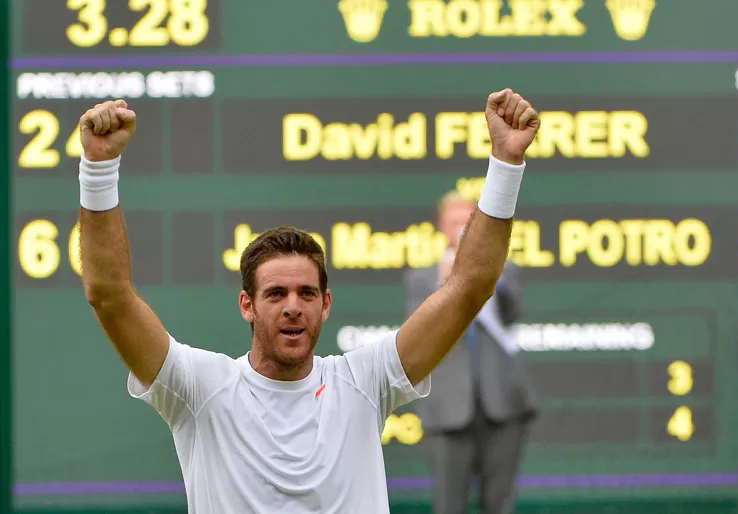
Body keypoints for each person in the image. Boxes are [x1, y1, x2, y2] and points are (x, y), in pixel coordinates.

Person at [76, 90, 540, 513]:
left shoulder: (364, 381)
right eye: (275, 294)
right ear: (246, 305)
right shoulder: (200, 388)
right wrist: (98, 168)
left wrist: (505, 163)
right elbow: (109, 296)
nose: (293, 306)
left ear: (326, 304)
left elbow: (470, 287)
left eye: (307, 293)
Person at [403, 191, 537, 514]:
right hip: (448, 410)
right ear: (441, 228)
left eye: (470, 222)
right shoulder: (422, 279)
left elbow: (513, 313)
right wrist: (446, 283)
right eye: (456, 222)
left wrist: (492, 273)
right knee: (449, 506)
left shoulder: (507, 270)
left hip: (503, 408)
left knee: (499, 505)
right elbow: (418, 333)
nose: (463, 228)